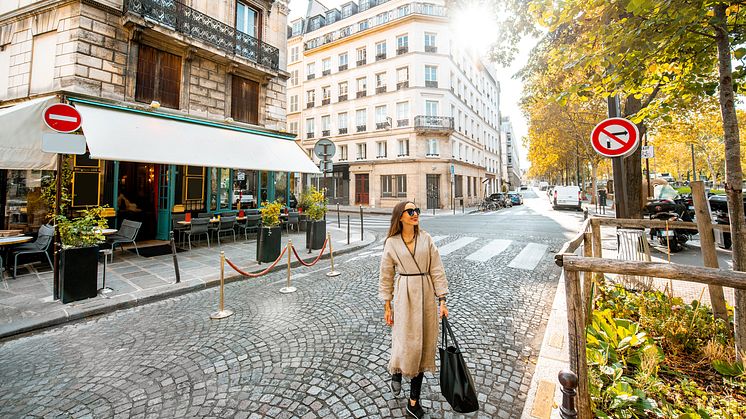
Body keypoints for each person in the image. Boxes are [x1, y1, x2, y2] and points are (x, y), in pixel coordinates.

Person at [379, 201, 449, 419]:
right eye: (410, 211)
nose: (415, 214)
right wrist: (387, 304)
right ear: (400, 216)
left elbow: (437, 269)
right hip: (404, 296)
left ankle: (413, 402)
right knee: (403, 340)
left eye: (417, 210)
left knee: (422, 344)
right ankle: (396, 371)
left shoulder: (426, 239)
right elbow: (386, 275)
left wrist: (442, 300)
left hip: (426, 294)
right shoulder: (391, 243)